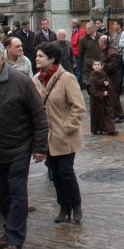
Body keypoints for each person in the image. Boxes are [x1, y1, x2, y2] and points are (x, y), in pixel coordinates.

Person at [0, 41, 48, 249]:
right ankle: (9, 231)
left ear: (1, 58)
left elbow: (39, 115)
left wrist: (40, 147)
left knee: (17, 193)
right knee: (4, 195)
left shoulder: (20, 81)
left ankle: (14, 242)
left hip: (19, 148)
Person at [33, 42, 86, 224]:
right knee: (54, 172)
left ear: (52, 58)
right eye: (36, 55)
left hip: (65, 135)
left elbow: (78, 106)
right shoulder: (36, 79)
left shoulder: (67, 78)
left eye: (40, 56)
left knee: (66, 171)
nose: (36, 58)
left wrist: (67, 126)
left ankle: (76, 205)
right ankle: (63, 207)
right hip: (47, 137)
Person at [86, 60, 117, 135]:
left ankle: (110, 129)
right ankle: (96, 129)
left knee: (107, 113)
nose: (96, 66)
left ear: (101, 66)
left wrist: (107, 85)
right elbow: (91, 89)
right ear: (93, 66)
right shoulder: (91, 77)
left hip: (105, 99)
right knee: (96, 115)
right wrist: (101, 94)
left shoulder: (104, 75)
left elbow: (109, 85)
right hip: (96, 99)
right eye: (95, 65)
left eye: (98, 64)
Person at [98, 35, 124, 122]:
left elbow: (113, 65)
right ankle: (113, 113)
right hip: (109, 77)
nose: (99, 43)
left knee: (113, 96)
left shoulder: (112, 52)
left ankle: (119, 115)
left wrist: (103, 67)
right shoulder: (106, 50)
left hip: (113, 77)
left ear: (103, 43)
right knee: (111, 96)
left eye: (100, 41)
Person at [78, 21, 100, 86]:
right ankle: (91, 95)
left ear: (93, 28)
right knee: (90, 83)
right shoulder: (83, 39)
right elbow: (80, 53)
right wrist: (85, 63)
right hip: (88, 65)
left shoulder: (100, 36)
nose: (86, 30)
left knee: (99, 82)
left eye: (88, 28)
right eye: (86, 28)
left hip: (99, 64)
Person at [70, 19, 85, 85]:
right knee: (75, 69)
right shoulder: (74, 32)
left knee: (78, 70)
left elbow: (77, 43)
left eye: (73, 23)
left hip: (78, 53)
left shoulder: (81, 31)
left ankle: (78, 85)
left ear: (76, 24)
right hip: (74, 53)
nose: (71, 24)